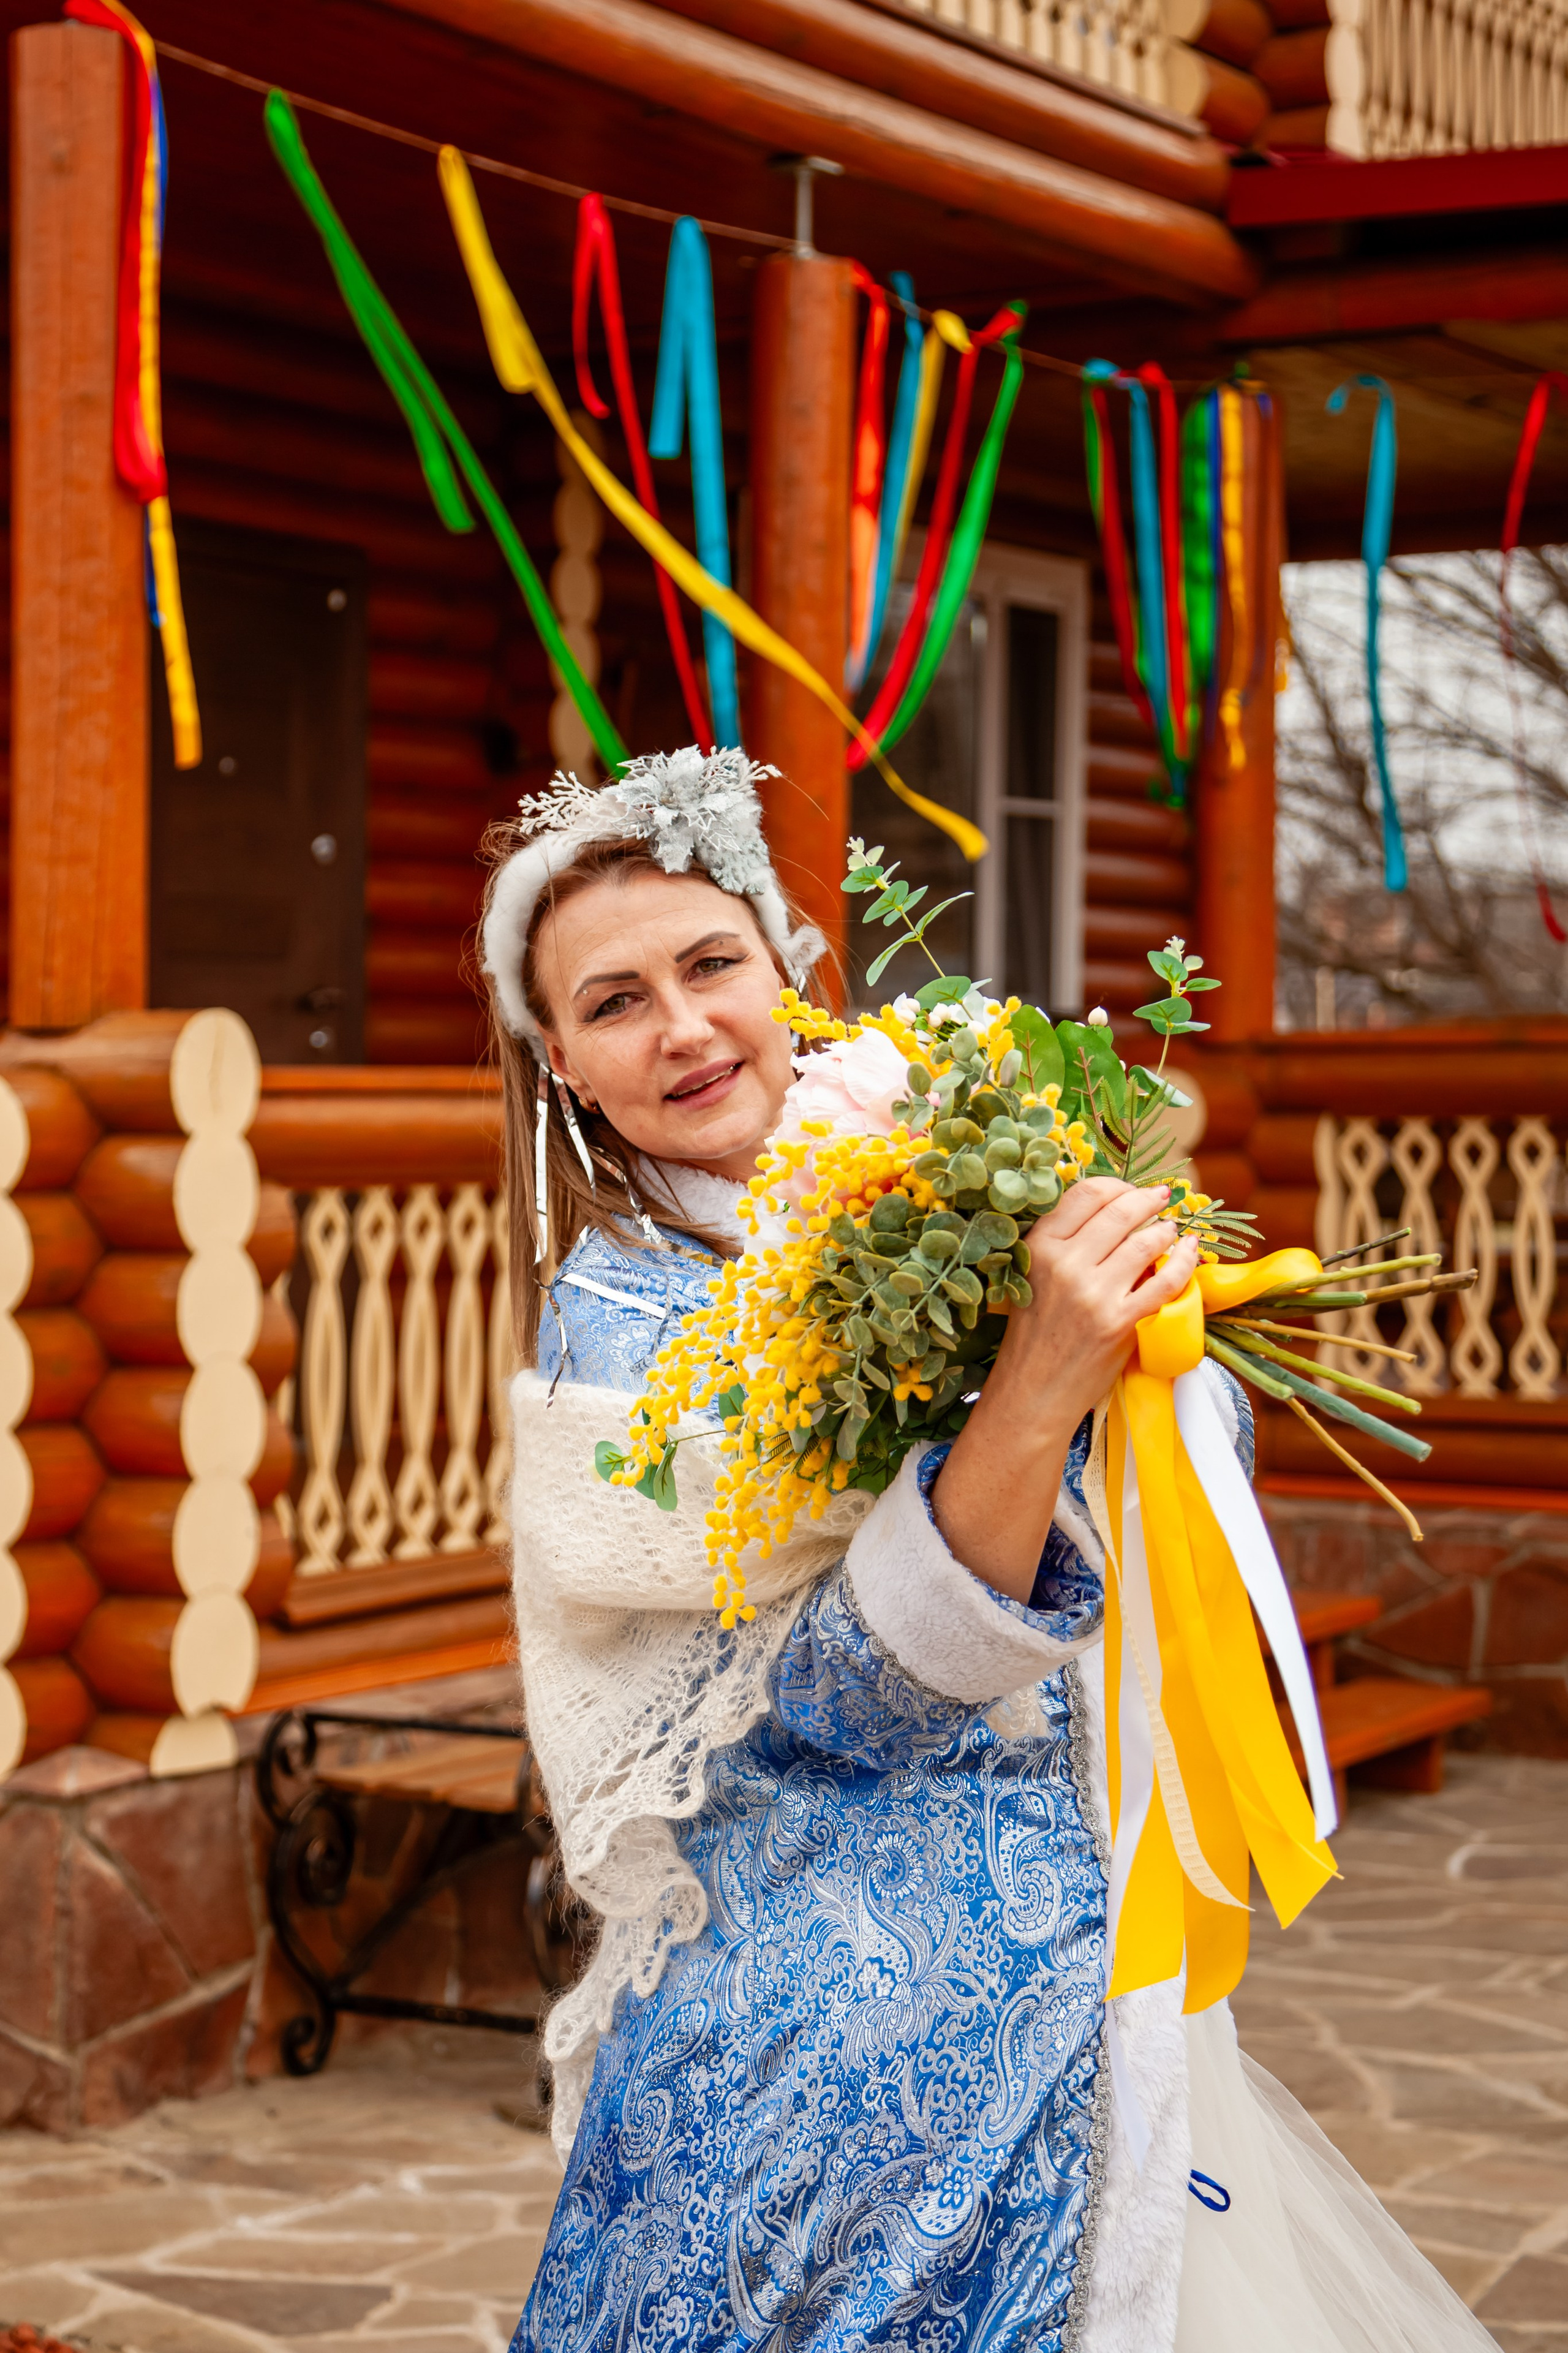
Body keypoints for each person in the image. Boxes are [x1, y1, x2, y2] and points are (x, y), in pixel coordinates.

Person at [481, 747, 1497, 2353]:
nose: (679, 1024)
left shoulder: (948, 1177)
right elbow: (835, 1712)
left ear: (792, 968)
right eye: (614, 1001)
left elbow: (1171, 1457)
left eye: (709, 962)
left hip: (1075, 2000)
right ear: (563, 1064)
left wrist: (1127, 1341)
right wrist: (1032, 1398)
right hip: (815, 2084)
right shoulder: (616, 1344)